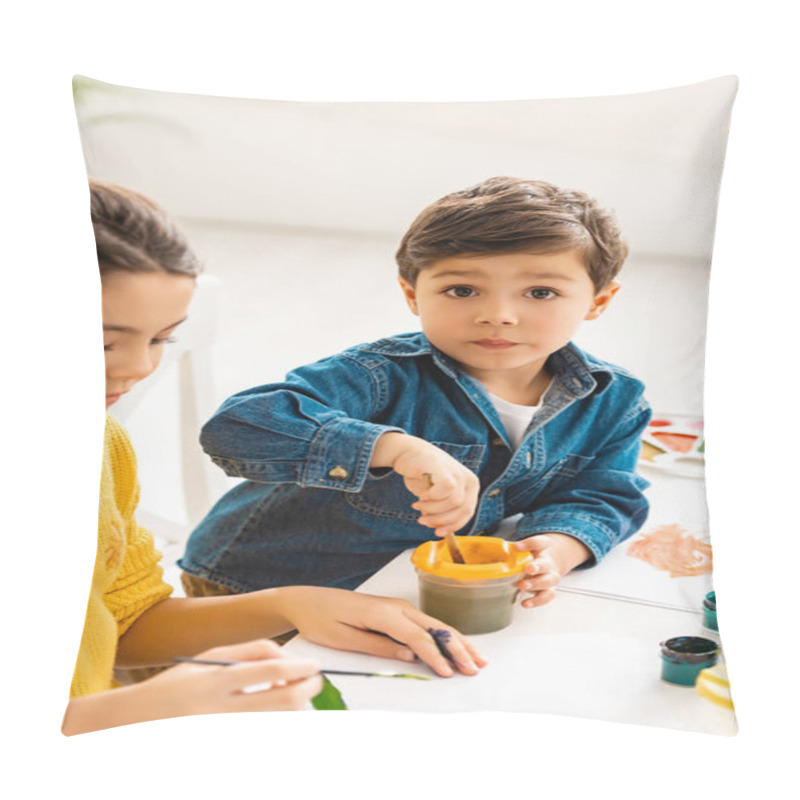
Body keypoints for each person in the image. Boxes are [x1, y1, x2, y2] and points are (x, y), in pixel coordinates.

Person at [62, 180, 486, 736]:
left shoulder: (102, 444)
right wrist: (128, 712)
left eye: (162, 340)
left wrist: (296, 605)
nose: (142, 368)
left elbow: (125, 623)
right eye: (102, 342)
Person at [179, 176, 651, 610]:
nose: (499, 315)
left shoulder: (614, 400)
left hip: (403, 596)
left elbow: (603, 494)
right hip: (257, 587)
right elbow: (237, 426)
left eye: (541, 293)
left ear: (598, 301)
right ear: (412, 296)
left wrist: (560, 546)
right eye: (462, 290)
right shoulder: (379, 373)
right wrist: (393, 448)